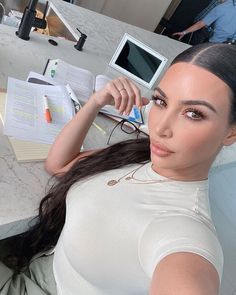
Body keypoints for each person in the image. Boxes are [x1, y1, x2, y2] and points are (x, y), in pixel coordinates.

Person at [1, 42, 236, 295]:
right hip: (34, 262)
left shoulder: (185, 231)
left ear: (231, 132)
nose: (160, 128)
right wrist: (96, 101)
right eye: (161, 101)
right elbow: (59, 164)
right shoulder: (141, 156)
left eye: (194, 114)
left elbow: (187, 277)